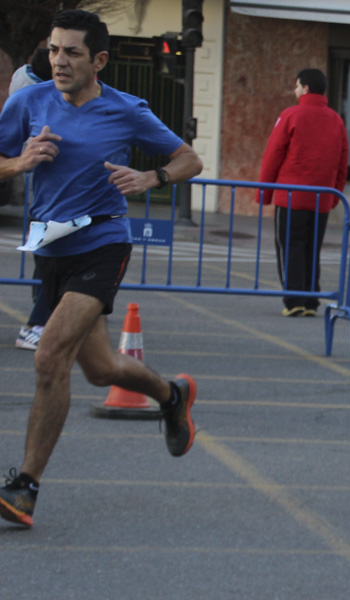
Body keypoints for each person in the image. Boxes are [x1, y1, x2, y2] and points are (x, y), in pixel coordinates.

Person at [0, 10, 203, 528]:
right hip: (50, 248)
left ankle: (25, 487)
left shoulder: (126, 110)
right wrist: (18, 164)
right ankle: (171, 394)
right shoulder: (27, 101)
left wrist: (150, 176)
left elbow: (189, 160)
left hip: (102, 242)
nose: (59, 61)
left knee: (50, 358)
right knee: (99, 368)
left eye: (71, 52)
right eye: (53, 50)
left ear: (100, 60)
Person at [257, 68, 348, 317]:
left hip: (290, 195)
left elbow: (273, 155)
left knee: (290, 247)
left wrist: (264, 192)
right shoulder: (336, 120)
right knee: (311, 248)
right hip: (321, 198)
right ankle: (310, 299)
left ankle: (294, 299)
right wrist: (334, 194)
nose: (295, 90)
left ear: (305, 88)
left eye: (297, 86)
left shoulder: (290, 115)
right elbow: (342, 160)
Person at [11, 47, 53, 351]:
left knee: (50, 262)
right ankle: (36, 325)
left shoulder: (19, 79)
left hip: (44, 190)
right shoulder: (37, 95)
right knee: (51, 263)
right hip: (45, 188)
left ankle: (43, 320)